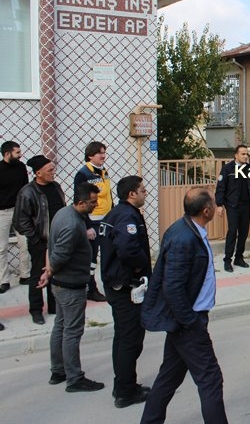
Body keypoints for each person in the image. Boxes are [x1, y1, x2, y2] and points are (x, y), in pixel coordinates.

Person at [140, 188, 228, 424]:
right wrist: (190, 322)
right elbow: (173, 288)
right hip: (189, 321)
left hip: (186, 320)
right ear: (206, 210)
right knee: (210, 378)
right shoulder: (184, 238)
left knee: (169, 376)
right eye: (213, 202)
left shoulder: (190, 230)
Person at [39, 181, 104, 392]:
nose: (95, 205)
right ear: (82, 202)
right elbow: (59, 255)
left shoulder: (64, 213)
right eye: (92, 202)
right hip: (70, 285)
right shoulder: (73, 225)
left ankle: (58, 371)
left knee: (61, 325)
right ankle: (74, 378)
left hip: (61, 284)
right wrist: (48, 272)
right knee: (72, 331)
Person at [98, 175, 151, 408]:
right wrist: (140, 266)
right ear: (132, 194)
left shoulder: (118, 213)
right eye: (142, 190)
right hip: (125, 287)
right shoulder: (126, 216)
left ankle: (124, 384)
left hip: (117, 284)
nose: (145, 193)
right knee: (130, 340)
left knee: (123, 338)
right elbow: (128, 249)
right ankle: (125, 393)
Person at [13, 155, 63, 324]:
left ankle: (54, 305)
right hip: (40, 241)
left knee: (54, 272)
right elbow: (21, 221)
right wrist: (35, 239)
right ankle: (36, 310)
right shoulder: (27, 192)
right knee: (37, 275)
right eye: (49, 170)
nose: (53, 172)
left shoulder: (56, 186)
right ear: (39, 173)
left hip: (57, 239)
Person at [74, 141, 112, 302]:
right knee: (91, 258)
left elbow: (108, 194)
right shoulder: (83, 174)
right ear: (90, 155)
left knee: (108, 254)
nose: (103, 155)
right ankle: (90, 288)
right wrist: (87, 225)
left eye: (104, 152)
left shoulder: (103, 171)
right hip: (93, 222)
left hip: (106, 220)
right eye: (99, 153)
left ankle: (109, 284)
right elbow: (80, 203)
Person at [215, 145, 250, 273]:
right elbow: (220, 187)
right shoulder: (228, 169)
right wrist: (219, 205)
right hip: (232, 206)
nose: (245, 156)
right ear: (236, 155)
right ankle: (227, 260)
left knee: (243, 233)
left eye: (246, 154)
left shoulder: (249, 169)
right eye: (243, 154)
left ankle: (239, 257)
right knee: (232, 232)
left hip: (245, 205)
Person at [0, 140, 31, 293]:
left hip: (20, 211)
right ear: (7, 154)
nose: (20, 155)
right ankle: (3, 280)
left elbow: (26, 187)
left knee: (25, 243)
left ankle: (25, 275)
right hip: (2, 212)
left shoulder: (21, 167)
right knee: (1, 248)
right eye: (17, 152)